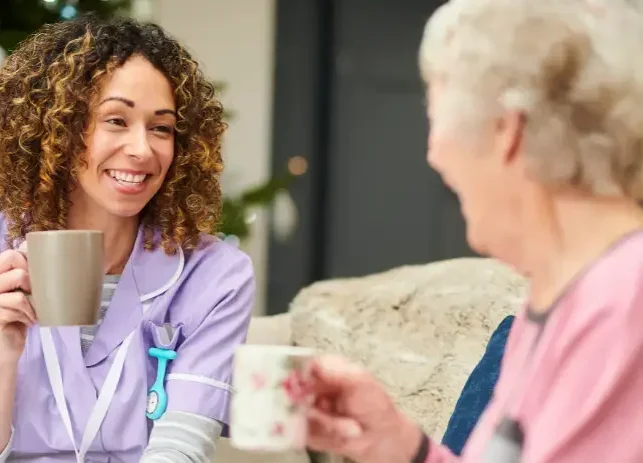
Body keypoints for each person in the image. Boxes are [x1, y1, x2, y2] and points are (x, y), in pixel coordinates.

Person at [302, 1, 643, 462]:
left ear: (508, 129)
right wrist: (402, 446)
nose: (433, 151)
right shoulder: (552, 298)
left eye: (438, 109)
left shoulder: (624, 300)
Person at [0, 14, 255, 463]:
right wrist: (3, 353)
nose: (142, 149)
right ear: (56, 129)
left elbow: (180, 448)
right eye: (115, 120)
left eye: (161, 128)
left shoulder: (215, 275)